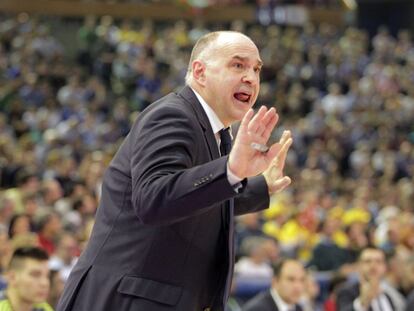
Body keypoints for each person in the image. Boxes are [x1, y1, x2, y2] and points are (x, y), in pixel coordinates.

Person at [57, 30, 293, 311]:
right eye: (238, 65)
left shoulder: (219, 133)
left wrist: (259, 185)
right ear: (200, 72)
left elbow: (198, 200)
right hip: (126, 300)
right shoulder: (173, 115)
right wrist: (230, 170)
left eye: (256, 69)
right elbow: (154, 198)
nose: (251, 78)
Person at [336, 247, 406, 311]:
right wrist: (362, 302)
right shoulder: (346, 291)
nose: (373, 266)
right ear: (359, 266)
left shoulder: (389, 294)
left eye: (378, 261)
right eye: (368, 261)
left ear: (385, 267)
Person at [0, 246, 53, 311]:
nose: (45, 283)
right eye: (35, 275)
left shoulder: (43, 307)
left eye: (47, 276)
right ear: (12, 277)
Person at [241, 259, 306, 311]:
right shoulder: (257, 309)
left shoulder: (298, 308)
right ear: (275, 282)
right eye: (291, 279)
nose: (298, 286)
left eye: (302, 280)